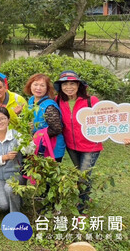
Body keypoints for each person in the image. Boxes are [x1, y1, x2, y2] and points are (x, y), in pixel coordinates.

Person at [54, 70, 101, 211]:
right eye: (65, 84)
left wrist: (122, 136)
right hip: (71, 145)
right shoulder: (58, 100)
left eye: (72, 83)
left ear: (79, 85)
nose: (69, 87)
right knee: (81, 174)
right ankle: (87, 196)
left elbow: (107, 121)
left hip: (91, 146)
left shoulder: (91, 101)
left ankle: (83, 207)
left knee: (83, 177)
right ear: (60, 86)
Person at [24, 73, 65, 162]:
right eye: (35, 84)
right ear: (30, 86)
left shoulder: (49, 106)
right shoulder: (31, 100)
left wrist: (36, 134)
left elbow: (56, 129)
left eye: (42, 85)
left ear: (47, 89)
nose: (38, 88)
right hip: (39, 145)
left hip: (52, 147)